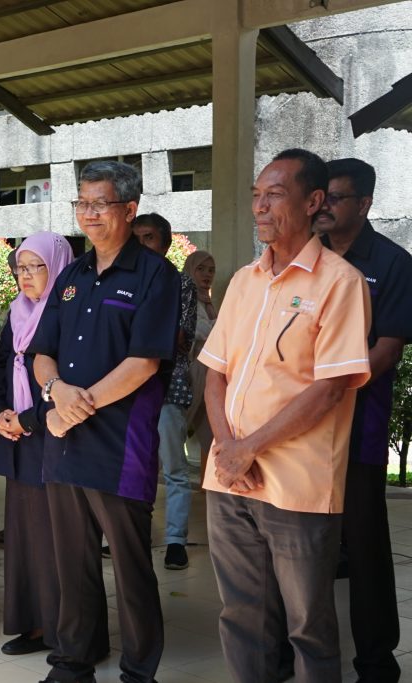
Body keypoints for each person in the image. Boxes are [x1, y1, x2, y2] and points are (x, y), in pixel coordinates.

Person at [200, 148, 371, 683]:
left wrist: (249, 448)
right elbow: (216, 373)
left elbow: (331, 387)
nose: (259, 207)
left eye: (274, 194)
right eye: (256, 195)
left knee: (308, 627)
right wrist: (229, 448)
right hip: (230, 480)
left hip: (297, 483)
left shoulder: (340, 283)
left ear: (313, 201)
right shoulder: (245, 281)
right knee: (242, 615)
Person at [29, 160, 179, 683]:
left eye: (100, 204)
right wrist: (55, 393)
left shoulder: (157, 275)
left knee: (132, 566)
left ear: (128, 209)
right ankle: (74, 660)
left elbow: (146, 362)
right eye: (82, 204)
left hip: (121, 444)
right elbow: (40, 351)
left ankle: (139, 669)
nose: (88, 214)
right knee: (73, 561)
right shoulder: (71, 275)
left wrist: (76, 405)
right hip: (64, 440)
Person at [316, 158, 412, 683]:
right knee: (300, 544)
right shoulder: (304, 257)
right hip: (299, 428)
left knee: (366, 545)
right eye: (320, 196)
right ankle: (295, 651)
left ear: (365, 203)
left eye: (335, 197)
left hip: (358, 425)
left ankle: (376, 663)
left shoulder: (393, 264)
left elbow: (387, 350)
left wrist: (324, 393)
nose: (323, 206)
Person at [0, 232, 88, 657]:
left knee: (57, 539)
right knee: (25, 536)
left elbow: (69, 379)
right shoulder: (16, 312)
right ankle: (32, 625)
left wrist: (26, 418)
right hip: (17, 437)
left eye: (35, 267)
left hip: (55, 436)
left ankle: (65, 631)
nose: (25, 276)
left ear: (58, 265)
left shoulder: (71, 313)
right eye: (20, 268)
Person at [132, 213, 197, 570]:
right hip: (126, 391)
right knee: (132, 464)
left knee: (173, 468)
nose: (143, 245)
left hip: (167, 387)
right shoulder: (124, 280)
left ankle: (175, 540)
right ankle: (130, 532)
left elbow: (179, 339)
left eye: (150, 237)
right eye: (137, 237)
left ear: (167, 244)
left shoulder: (180, 284)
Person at [183, 250, 217, 478]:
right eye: (201, 269)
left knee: (210, 432)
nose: (207, 275)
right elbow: (199, 331)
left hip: (206, 376)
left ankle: (208, 484)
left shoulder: (207, 302)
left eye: (211, 270)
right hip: (190, 375)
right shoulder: (186, 298)